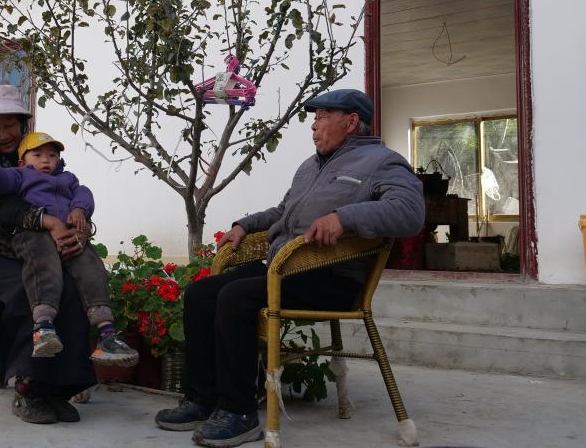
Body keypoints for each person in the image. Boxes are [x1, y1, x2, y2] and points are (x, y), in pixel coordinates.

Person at [154, 88, 424, 447]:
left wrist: (345, 217)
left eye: (322, 117)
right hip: (283, 269)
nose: (314, 127)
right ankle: (202, 399)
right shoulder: (310, 166)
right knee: (201, 293)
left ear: (351, 122)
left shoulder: (382, 162)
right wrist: (245, 225)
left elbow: (410, 212)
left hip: (332, 278)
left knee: (235, 296)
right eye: (314, 118)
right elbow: (283, 213)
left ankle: (239, 411)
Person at [0, 83, 96, 425]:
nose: (2, 134)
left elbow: (68, 191)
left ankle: (57, 389)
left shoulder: (38, 154)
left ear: (23, 125)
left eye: (9, 125)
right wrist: (47, 221)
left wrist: (78, 218)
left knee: (72, 291)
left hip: (36, 247)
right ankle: (29, 389)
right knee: (24, 292)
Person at [0, 131, 139, 366]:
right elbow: (4, 181)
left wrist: (79, 210)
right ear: (23, 161)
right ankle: (43, 328)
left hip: (68, 235)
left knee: (91, 265)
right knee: (43, 265)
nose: (45, 160)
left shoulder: (68, 179)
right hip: (34, 235)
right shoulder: (21, 175)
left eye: (52, 155)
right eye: (38, 154)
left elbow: (84, 193)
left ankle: (107, 334)